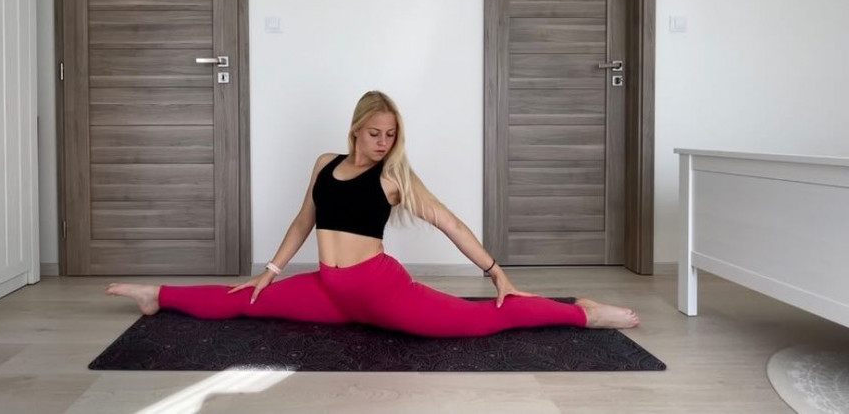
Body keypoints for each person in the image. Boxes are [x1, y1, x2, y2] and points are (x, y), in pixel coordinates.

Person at [106, 90, 639, 337]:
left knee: (479, 321)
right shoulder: (325, 163)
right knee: (249, 298)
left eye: (390, 135)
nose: (383, 142)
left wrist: (495, 272)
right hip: (330, 290)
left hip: (381, 291)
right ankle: (158, 296)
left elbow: (450, 223)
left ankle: (584, 313)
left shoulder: (394, 177)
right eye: (375, 133)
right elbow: (303, 222)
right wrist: (270, 270)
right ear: (356, 130)